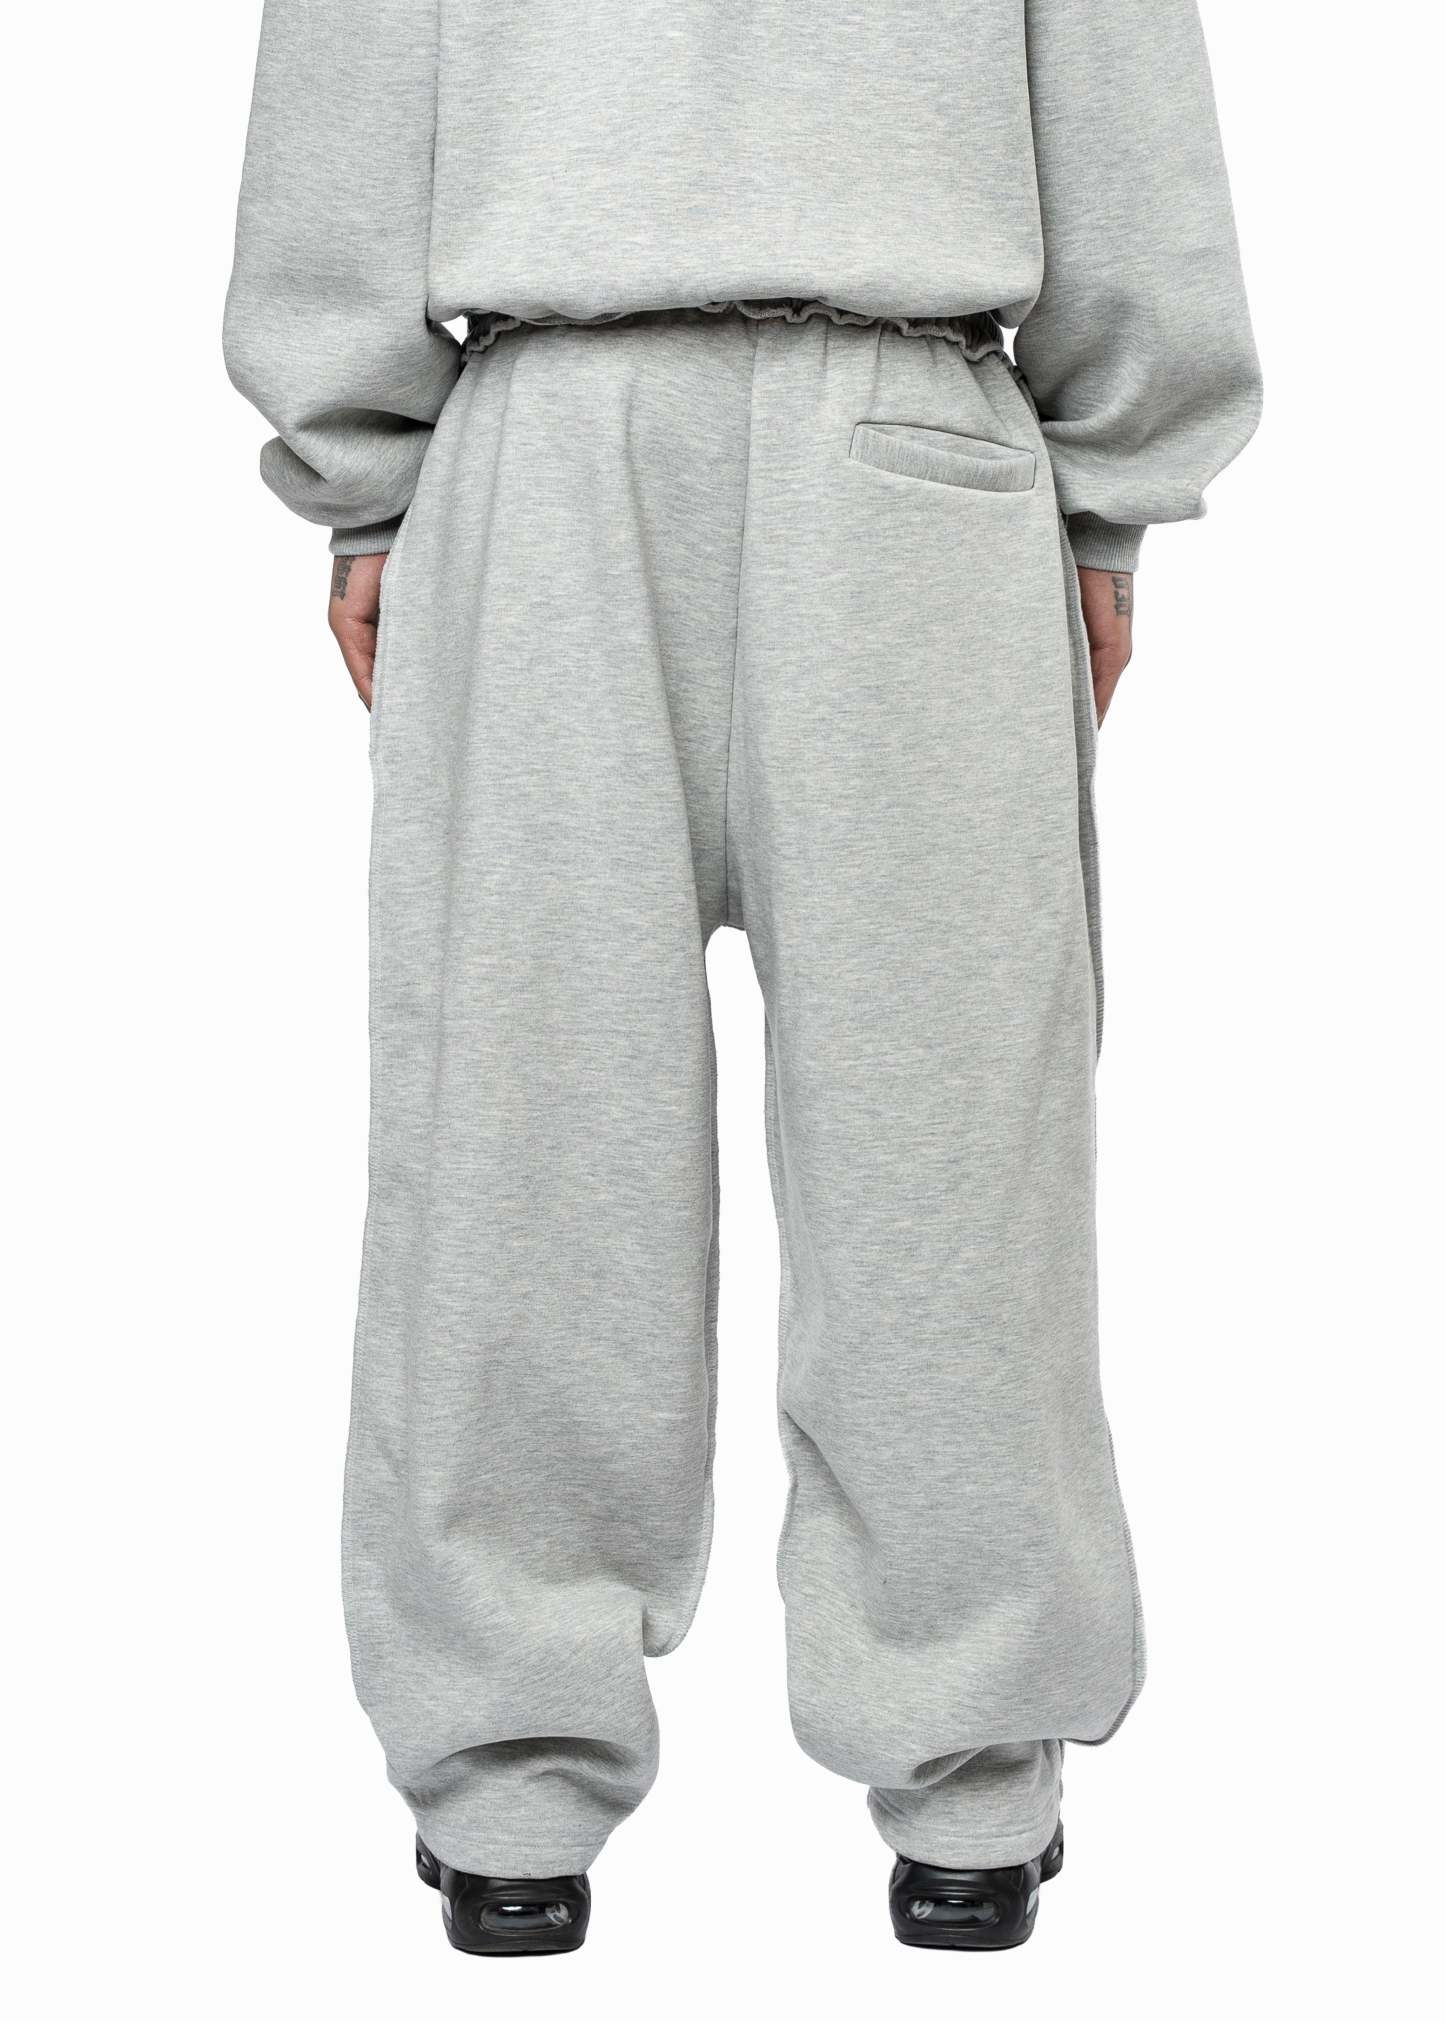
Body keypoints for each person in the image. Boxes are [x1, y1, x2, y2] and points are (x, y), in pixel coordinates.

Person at [226, 0, 1258, 1958]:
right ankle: (969, 1779)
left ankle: (511, 1786)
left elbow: (347, 93)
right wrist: (1111, 491)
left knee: (522, 1143)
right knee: (948, 1157)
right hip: (912, 451)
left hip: (546, 446)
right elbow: (1116, 93)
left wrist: (363, 470)